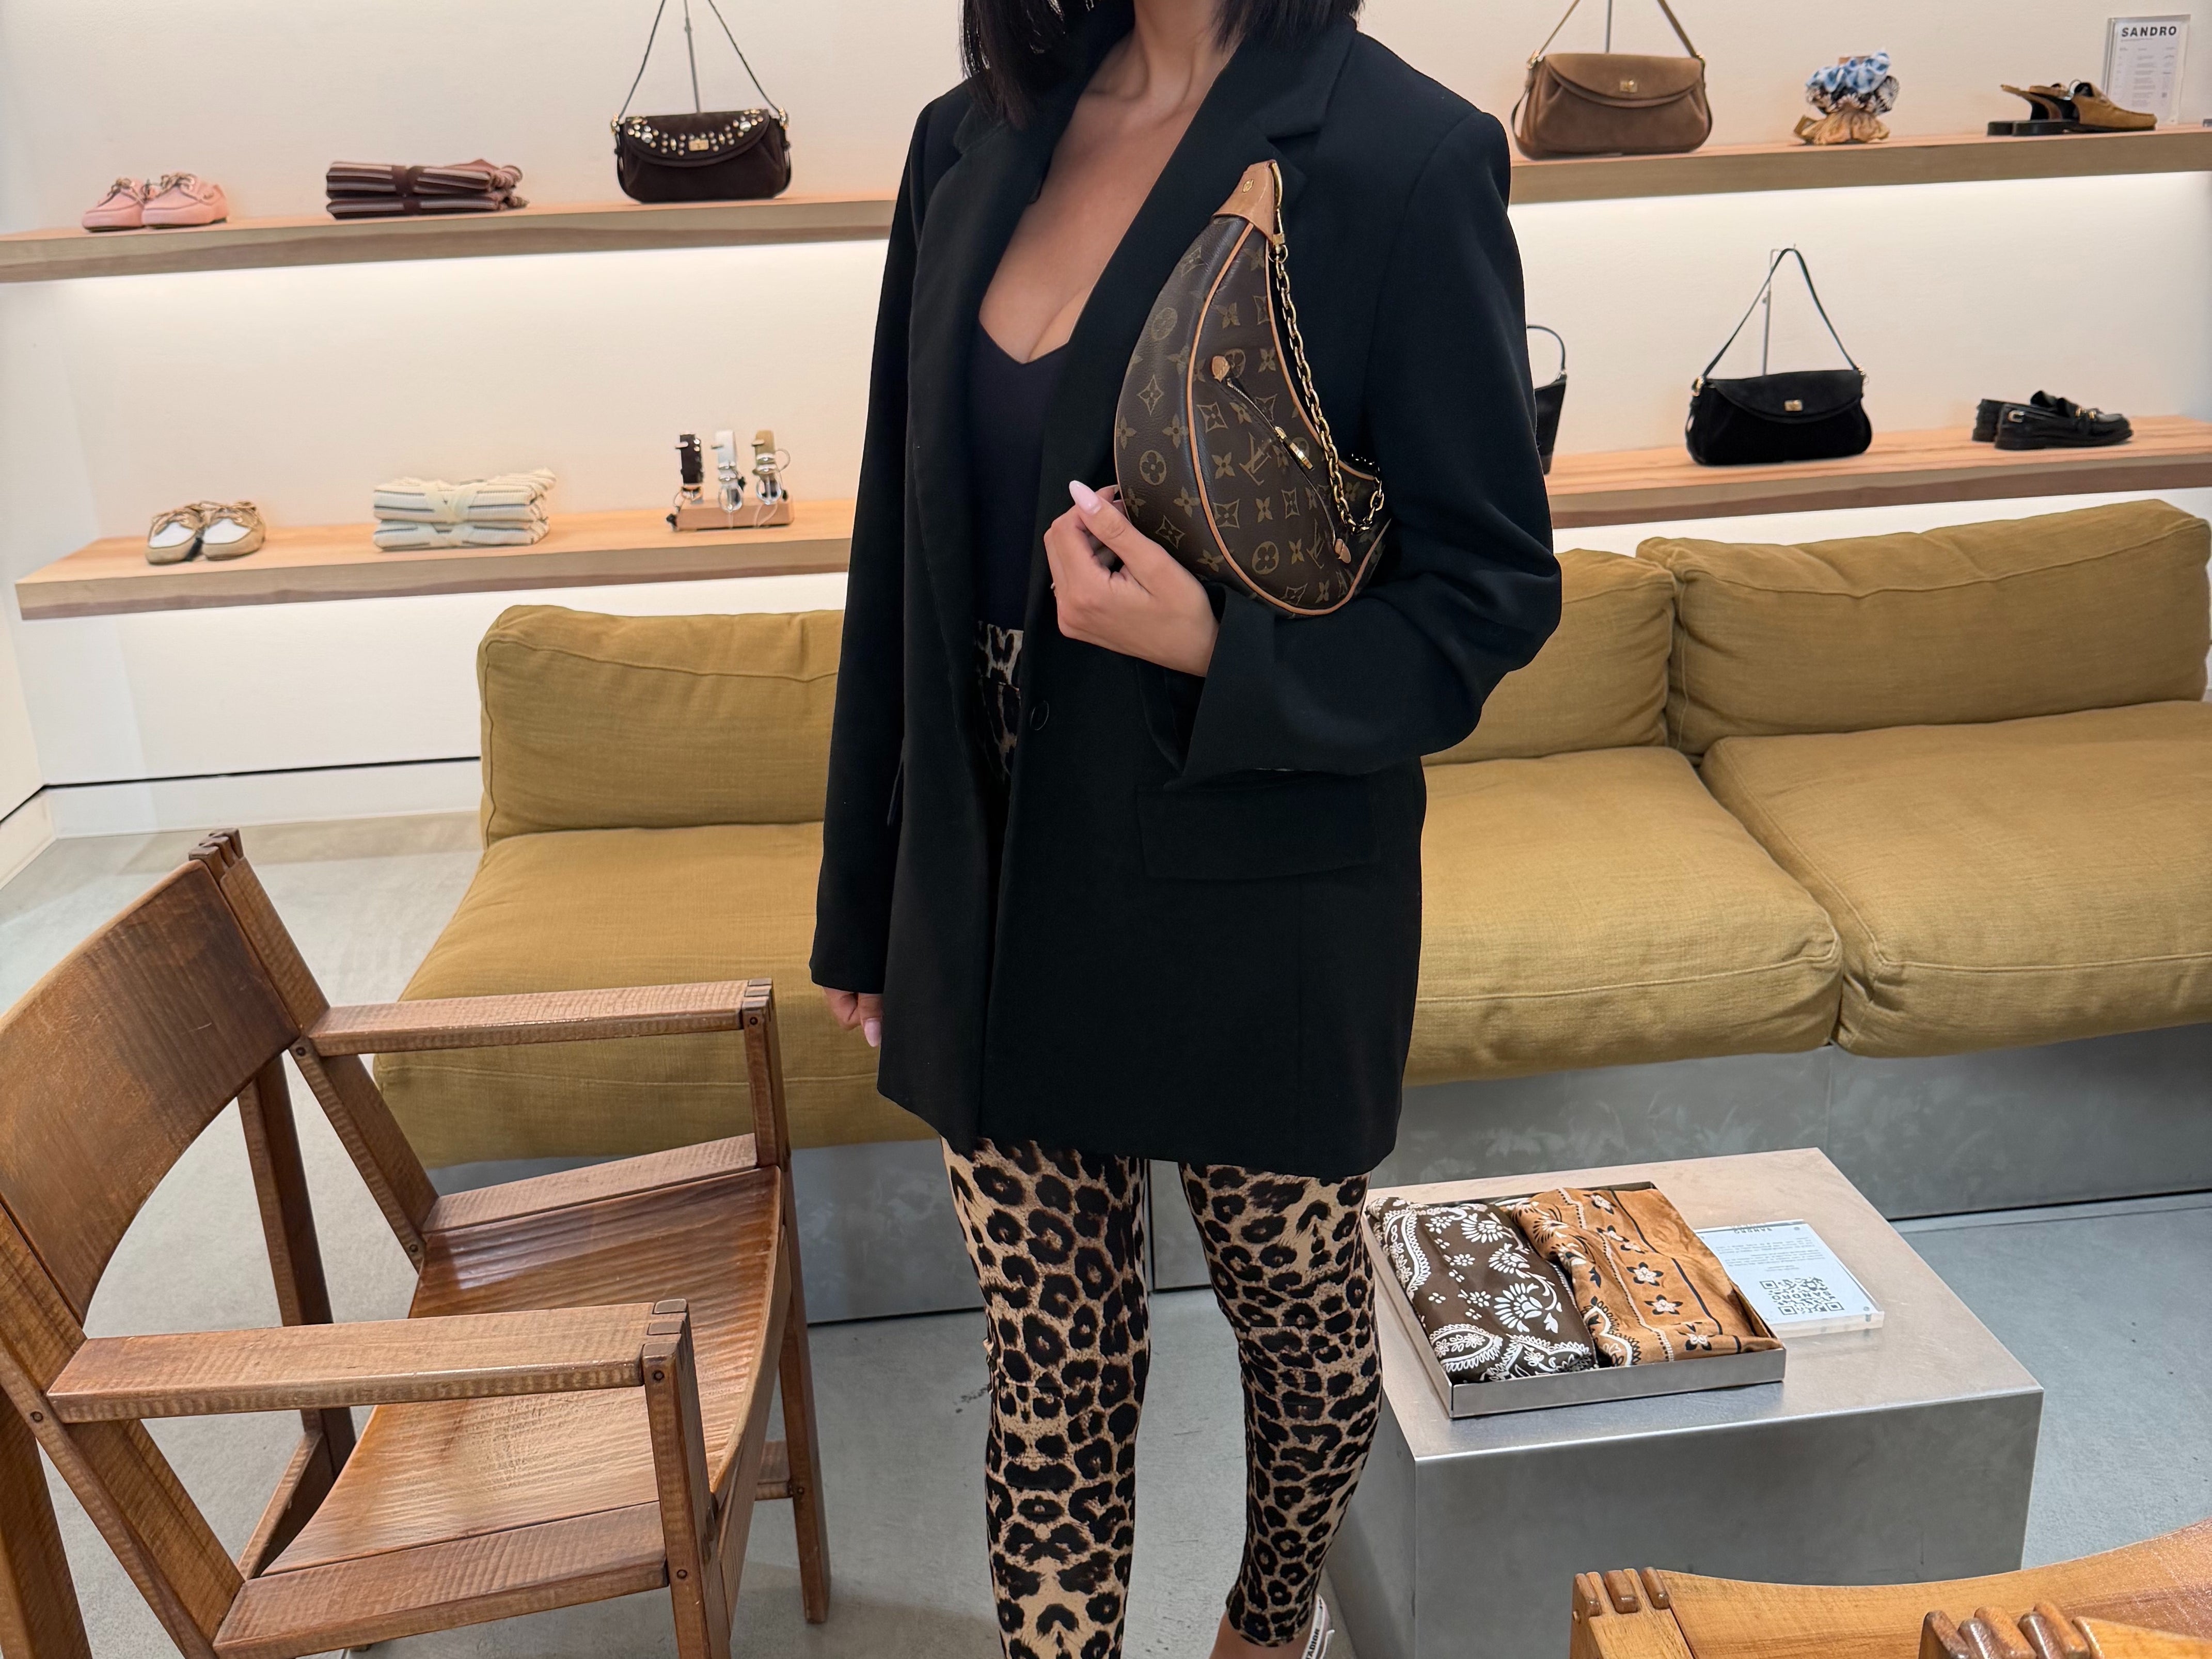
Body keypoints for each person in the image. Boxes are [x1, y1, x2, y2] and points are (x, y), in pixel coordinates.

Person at [812, 0, 1558, 1651]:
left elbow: (1487, 591)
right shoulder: (970, 138)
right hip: (995, 860)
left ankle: (1265, 1624)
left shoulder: (1400, 154)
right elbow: (899, 546)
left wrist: (1225, 653)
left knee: (1296, 1317)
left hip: (1254, 860)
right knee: (1047, 1357)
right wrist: (868, 892)